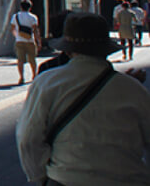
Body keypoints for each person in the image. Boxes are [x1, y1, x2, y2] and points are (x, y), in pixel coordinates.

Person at [16, 12, 150, 186]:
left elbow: (28, 138)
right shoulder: (134, 89)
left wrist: (40, 177)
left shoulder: (46, 83)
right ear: (106, 49)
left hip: (66, 179)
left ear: (68, 49)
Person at [10, 0, 40, 85]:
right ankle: (34, 75)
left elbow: (12, 28)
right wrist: (38, 41)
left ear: (21, 7)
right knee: (32, 60)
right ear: (30, 7)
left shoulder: (15, 16)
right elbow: (35, 30)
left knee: (20, 60)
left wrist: (17, 36)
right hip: (30, 41)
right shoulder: (33, 17)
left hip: (19, 41)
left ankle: (21, 77)